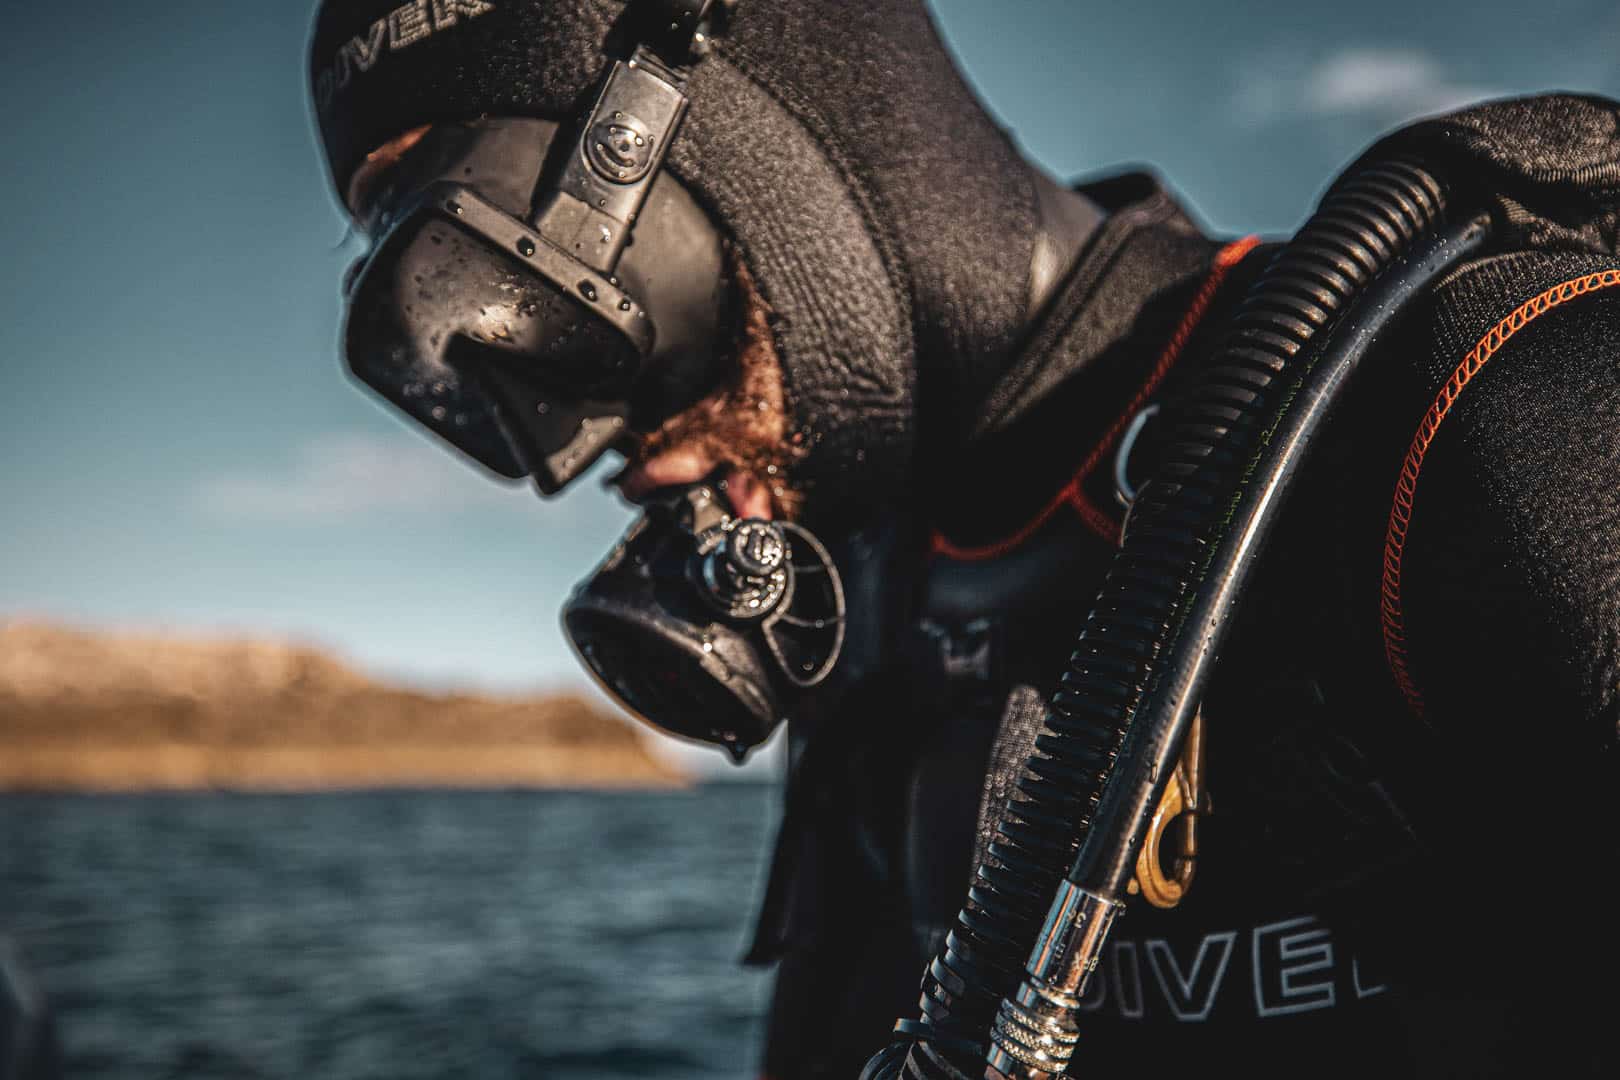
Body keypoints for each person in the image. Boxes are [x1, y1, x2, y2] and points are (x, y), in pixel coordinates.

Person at [308, 2, 1620, 1076]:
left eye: (503, 265)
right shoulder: (869, 592)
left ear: (676, 101)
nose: (568, 443)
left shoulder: (1480, 408)